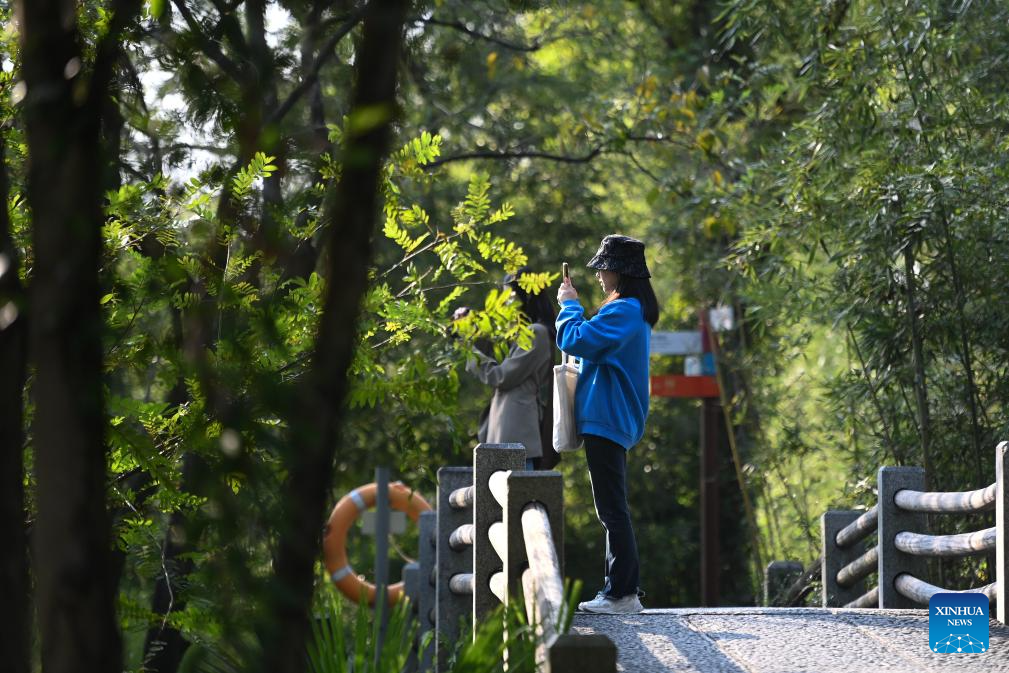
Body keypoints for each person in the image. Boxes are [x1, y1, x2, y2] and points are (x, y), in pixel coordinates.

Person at [555, 234, 658, 614]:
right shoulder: (632, 311)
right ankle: (620, 590)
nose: (599, 275)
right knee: (611, 506)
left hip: (608, 417)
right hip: (611, 417)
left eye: (604, 268)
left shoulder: (625, 311)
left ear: (620, 272)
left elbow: (576, 339)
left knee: (612, 508)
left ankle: (621, 593)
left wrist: (569, 306)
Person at [465, 268, 557, 470]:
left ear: (526, 296)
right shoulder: (523, 333)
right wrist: (470, 328)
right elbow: (493, 355)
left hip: (517, 434)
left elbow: (501, 376)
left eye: (509, 296)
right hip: (504, 433)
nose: (505, 303)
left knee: (517, 499)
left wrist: (468, 351)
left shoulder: (536, 333)